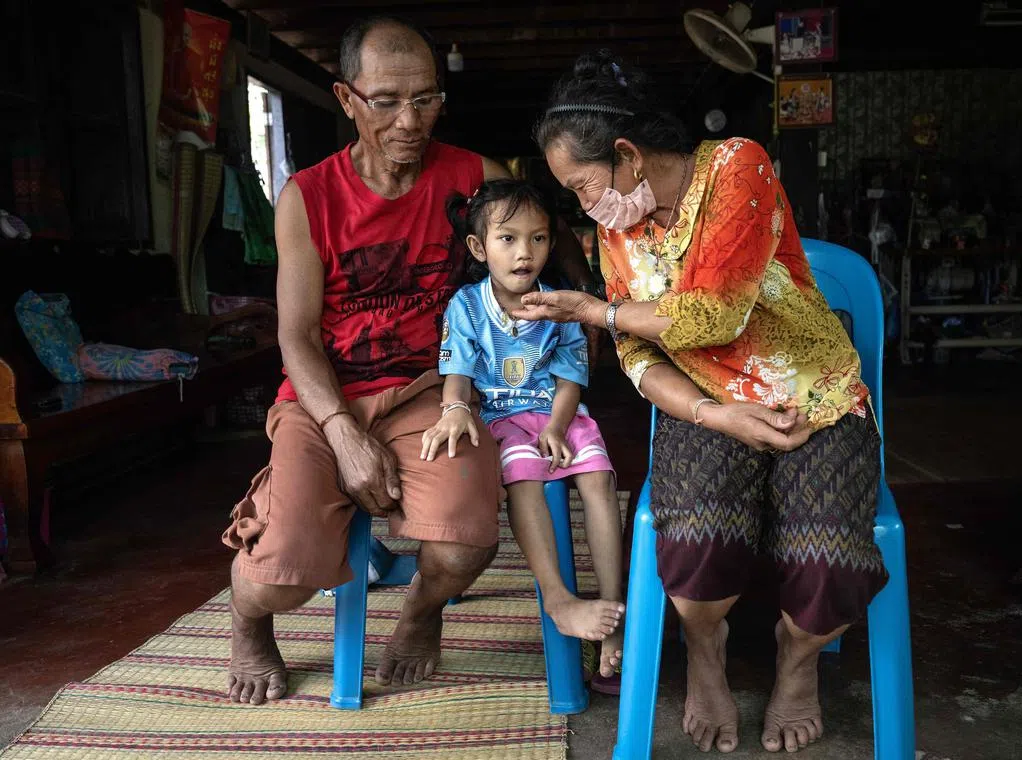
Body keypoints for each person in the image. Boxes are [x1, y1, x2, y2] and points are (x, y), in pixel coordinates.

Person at [515, 52, 889, 754]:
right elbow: (637, 356)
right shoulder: (614, 236)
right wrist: (714, 414)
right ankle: (707, 655)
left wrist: (597, 314)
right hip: (707, 406)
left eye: (583, 186)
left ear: (627, 157)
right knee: (692, 545)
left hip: (813, 398)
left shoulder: (735, 167)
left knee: (831, 560)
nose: (582, 205)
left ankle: (798, 660)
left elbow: (713, 314)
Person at [220, 15, 597, 706]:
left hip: (433, 388)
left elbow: (548, 237)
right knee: (283, 576)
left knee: (464, 541)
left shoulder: (473, 175)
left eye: (425, 98)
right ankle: (248, 624)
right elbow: (297, 336)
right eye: (386, 101)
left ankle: (420, 613)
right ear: (346, 99)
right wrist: (343, 433)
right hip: (319, 398)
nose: (409, 120)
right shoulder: (308, 197)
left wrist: (589, 307)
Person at [421, 179, 627, 687]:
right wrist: (453, 409)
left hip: (560, 413)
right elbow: (459, 372)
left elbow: (570, 377)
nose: (524, 253)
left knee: (599, 480)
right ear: (478, 247)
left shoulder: (561, 304)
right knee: (525, 475)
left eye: (538, 239)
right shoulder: (466, 307)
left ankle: (614, 611)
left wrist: (558, 426)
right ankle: (558, 596)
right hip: (502, 419)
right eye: (508, 239)